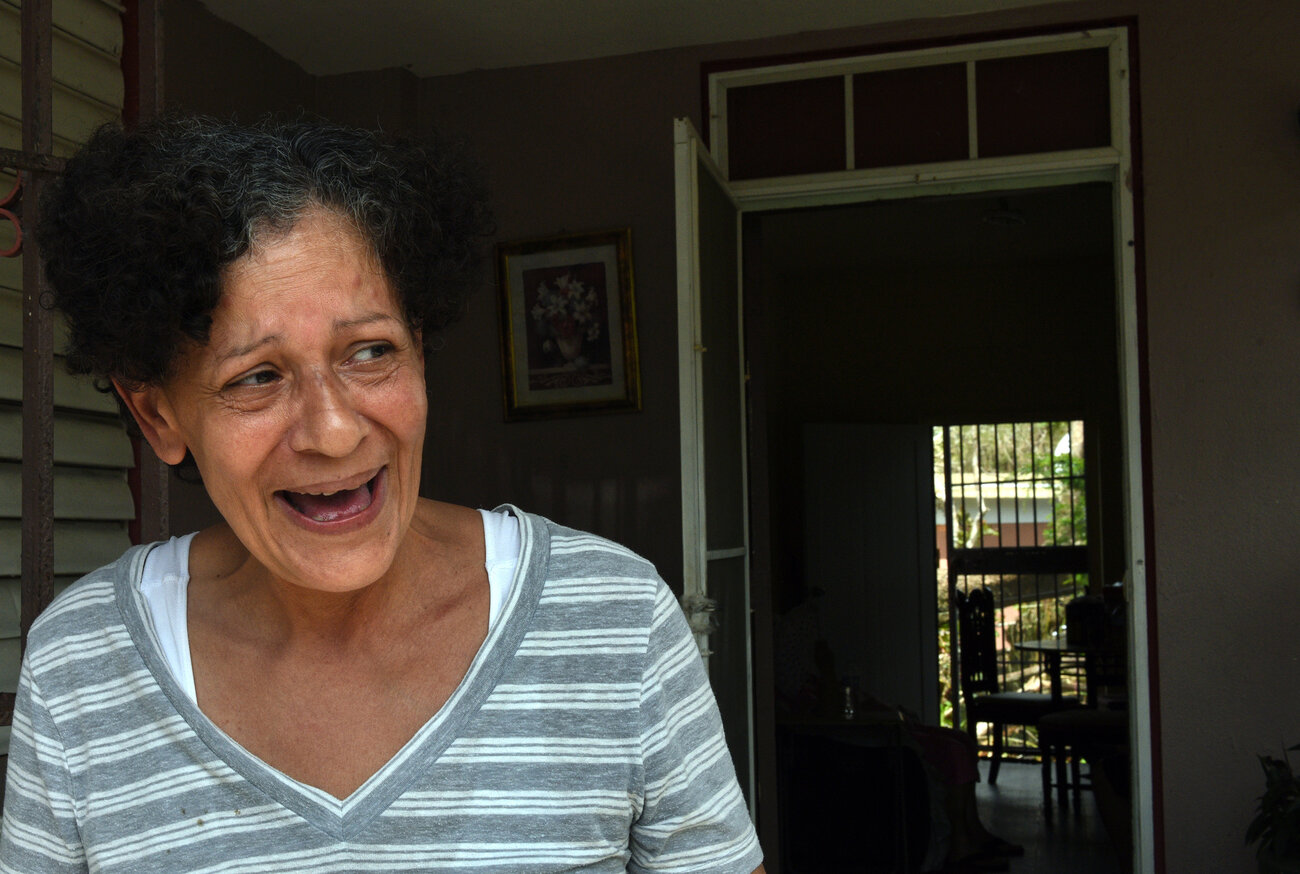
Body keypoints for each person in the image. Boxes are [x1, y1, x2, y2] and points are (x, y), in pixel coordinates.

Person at [0, 116, 765, 874]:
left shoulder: (614, 621)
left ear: (420, 353)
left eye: (371, 353)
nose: (333, 433)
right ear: (158, 415)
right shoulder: (83, 666)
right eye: (257, 377)